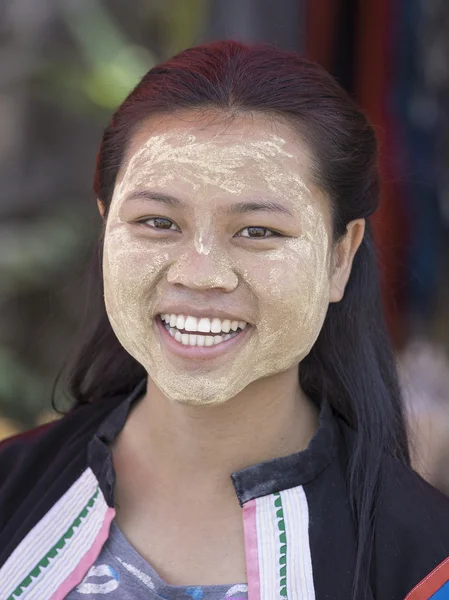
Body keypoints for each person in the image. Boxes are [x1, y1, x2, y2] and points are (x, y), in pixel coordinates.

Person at [0, 40, 448, 600]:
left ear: (340, 256)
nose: (201, 274)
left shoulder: (429, 566)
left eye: (258, 231)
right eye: (158, 222)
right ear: (105, 228)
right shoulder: (9, 491)